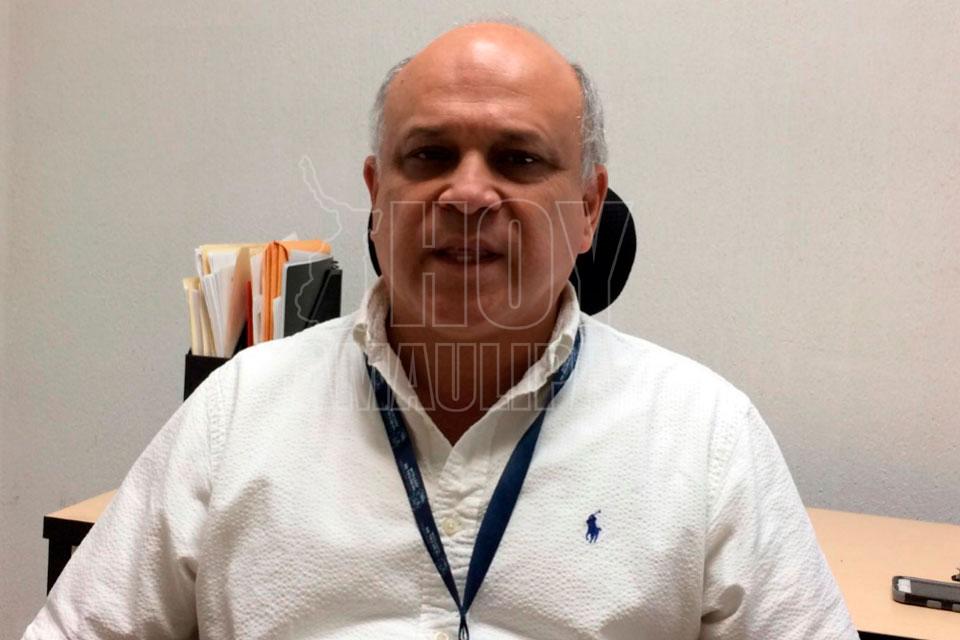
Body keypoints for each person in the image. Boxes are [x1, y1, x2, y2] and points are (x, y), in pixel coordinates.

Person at [23, 21, 858, 639]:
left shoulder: (705, 436)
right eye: (428, 156)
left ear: (588, 210)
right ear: (376, 196)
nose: (466, 193)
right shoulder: (237, 411)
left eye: (518, 159)